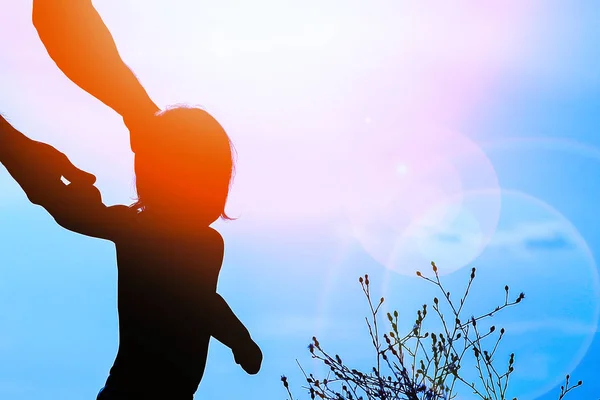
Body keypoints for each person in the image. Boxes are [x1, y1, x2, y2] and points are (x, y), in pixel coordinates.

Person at [0, 1, 263, 398]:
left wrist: (238, 338)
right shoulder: (154, 234)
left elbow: (201, 299)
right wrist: (239, 339)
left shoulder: (193, 242)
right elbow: (200, 300)